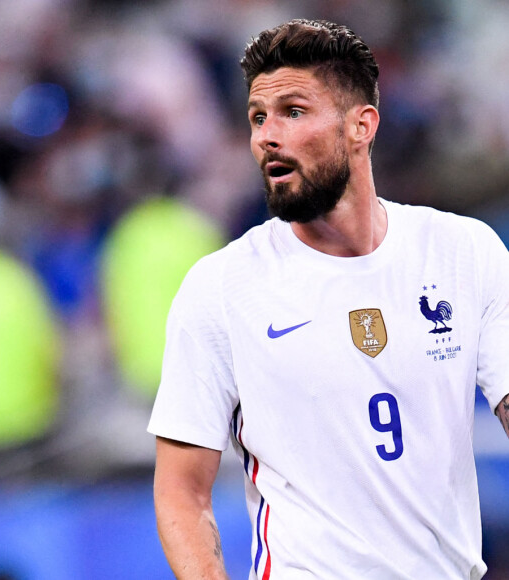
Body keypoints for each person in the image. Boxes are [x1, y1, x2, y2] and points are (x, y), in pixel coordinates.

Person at [147, 19, 509, 580]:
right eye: (257, 118)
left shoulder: (464, 253)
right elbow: (180, 493)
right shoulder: (221, 288)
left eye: (293, 112)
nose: (268, 135)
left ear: (361, 126)